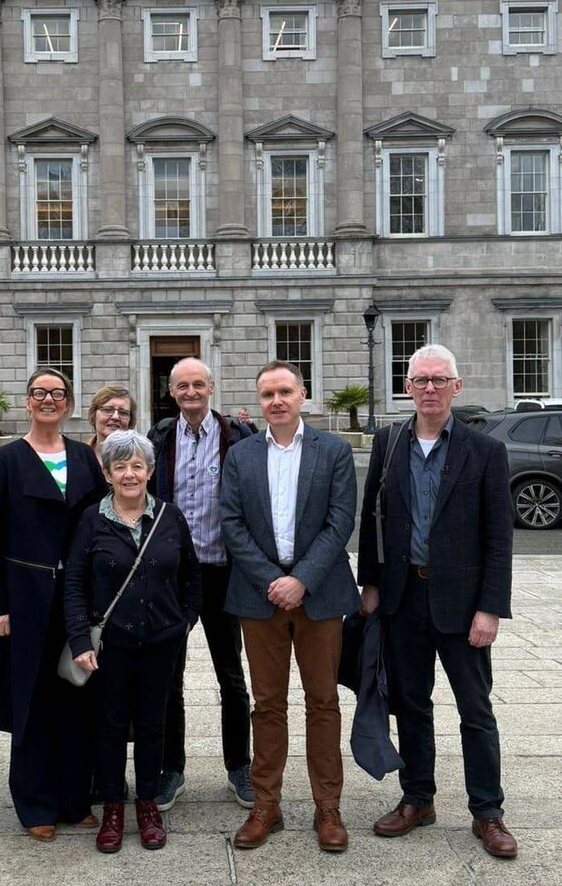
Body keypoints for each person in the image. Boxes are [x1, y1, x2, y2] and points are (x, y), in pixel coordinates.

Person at [358, 344, 517, 859]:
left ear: (457, 387)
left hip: (462, 602)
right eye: (420, 380)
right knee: (410, 703)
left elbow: (499, 536)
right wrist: (372, 584)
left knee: (475, 710)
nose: (429, 388)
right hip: (404, 598)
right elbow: (372, 517)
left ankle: (488, 812)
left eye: (438, 380)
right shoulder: (389, 442)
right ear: (407, 388)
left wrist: (491, 607)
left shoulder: (485, 450)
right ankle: (418, 798)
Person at [220, 360, 360, 853]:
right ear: (258, 402)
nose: (275, 401)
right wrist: (273, 580)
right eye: (266, 394)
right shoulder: (240, 455)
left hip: (319, 595)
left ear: (303, 394)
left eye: (284, 391)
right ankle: (266, 806)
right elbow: (231, 523)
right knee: (267, 704)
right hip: (259, 599)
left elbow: (341, 521)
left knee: (323, 701)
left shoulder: (335, 451)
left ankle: (328, 808)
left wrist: (301, 579)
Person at [0, 367, 107, 840]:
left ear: (69, 403)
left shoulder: (84, 458)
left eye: (57, 393)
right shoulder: (7, 460)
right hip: (24, 598)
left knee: (75, 696)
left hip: (76, 599)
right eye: (39, 393)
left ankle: (75, 799)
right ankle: (35, 804)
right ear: (27, 402)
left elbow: (100, 526)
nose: (48, 400)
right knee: (30, 702)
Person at [65, 430, 201, 854]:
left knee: (151, 726)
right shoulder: (92, 520)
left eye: (137, 466)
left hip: (161, 642)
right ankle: (113, 807)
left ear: (150, 471)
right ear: (107, 473)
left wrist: (183, 622)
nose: (129, 474)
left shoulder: (169, 516)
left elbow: (192, 576)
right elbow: (74, 583)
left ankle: (146, 805)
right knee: (108, 727)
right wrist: (78, 640)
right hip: (111, 646)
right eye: (120, 466)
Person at [147, 356, 253, 811]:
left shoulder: (237, 436)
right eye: (181, 386)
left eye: (198, 384)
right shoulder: (161, 437)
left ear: (211, 387)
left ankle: (239, 766)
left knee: (231, 674)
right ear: (172, 392)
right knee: (170, 676)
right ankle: (173, 769)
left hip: (223, 572)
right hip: (173, 577)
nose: (190, 392)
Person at [86, 385, 136, 463]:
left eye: (123, 413)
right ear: (93, 414)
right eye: (107, 410)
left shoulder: (140, 459)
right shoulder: (77, 457)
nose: (115, 417)